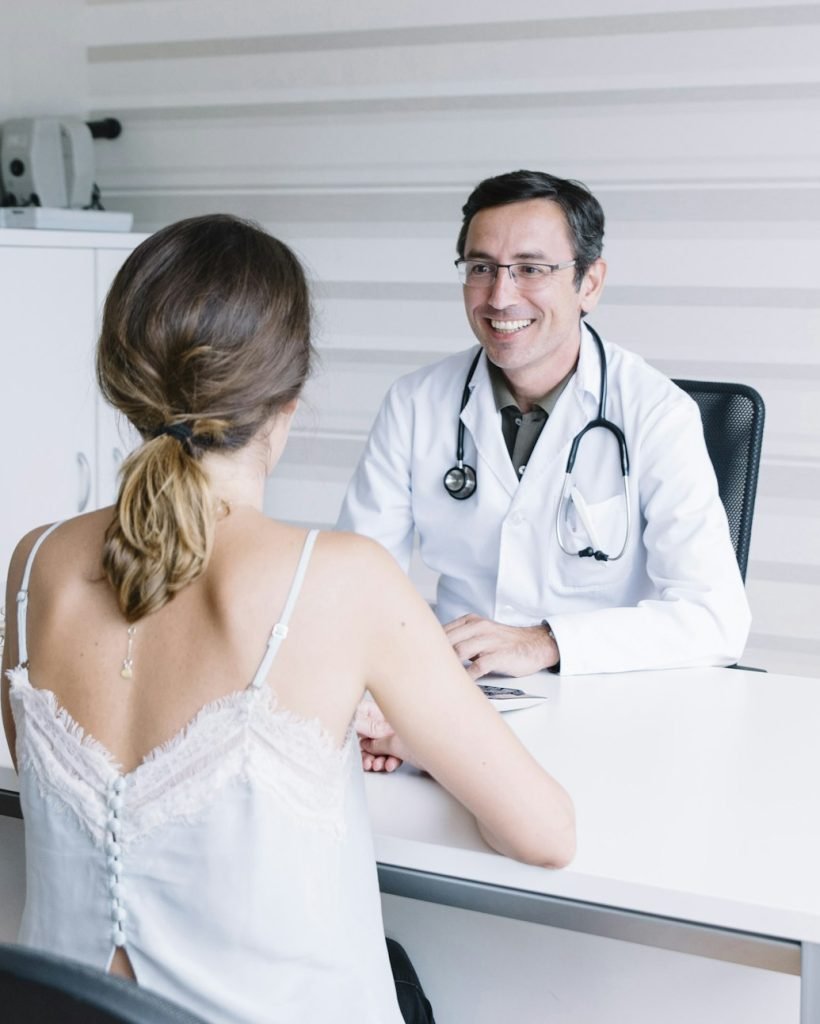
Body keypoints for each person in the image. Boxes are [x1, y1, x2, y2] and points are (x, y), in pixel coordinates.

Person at [1, 214, 574, 1024]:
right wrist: (415, 731)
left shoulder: (34, 565)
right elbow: (545, 832)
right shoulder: (342, 580)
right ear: (290, 397)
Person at [339, 169, 751, 689]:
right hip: (456, 694)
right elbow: (356, 585)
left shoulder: (657, 413)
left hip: (605, 696)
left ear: (590, 283)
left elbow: (715, 620)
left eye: (531, 269)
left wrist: (545, 641)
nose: (500, 296)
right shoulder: (415, 403)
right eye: (481, 267)